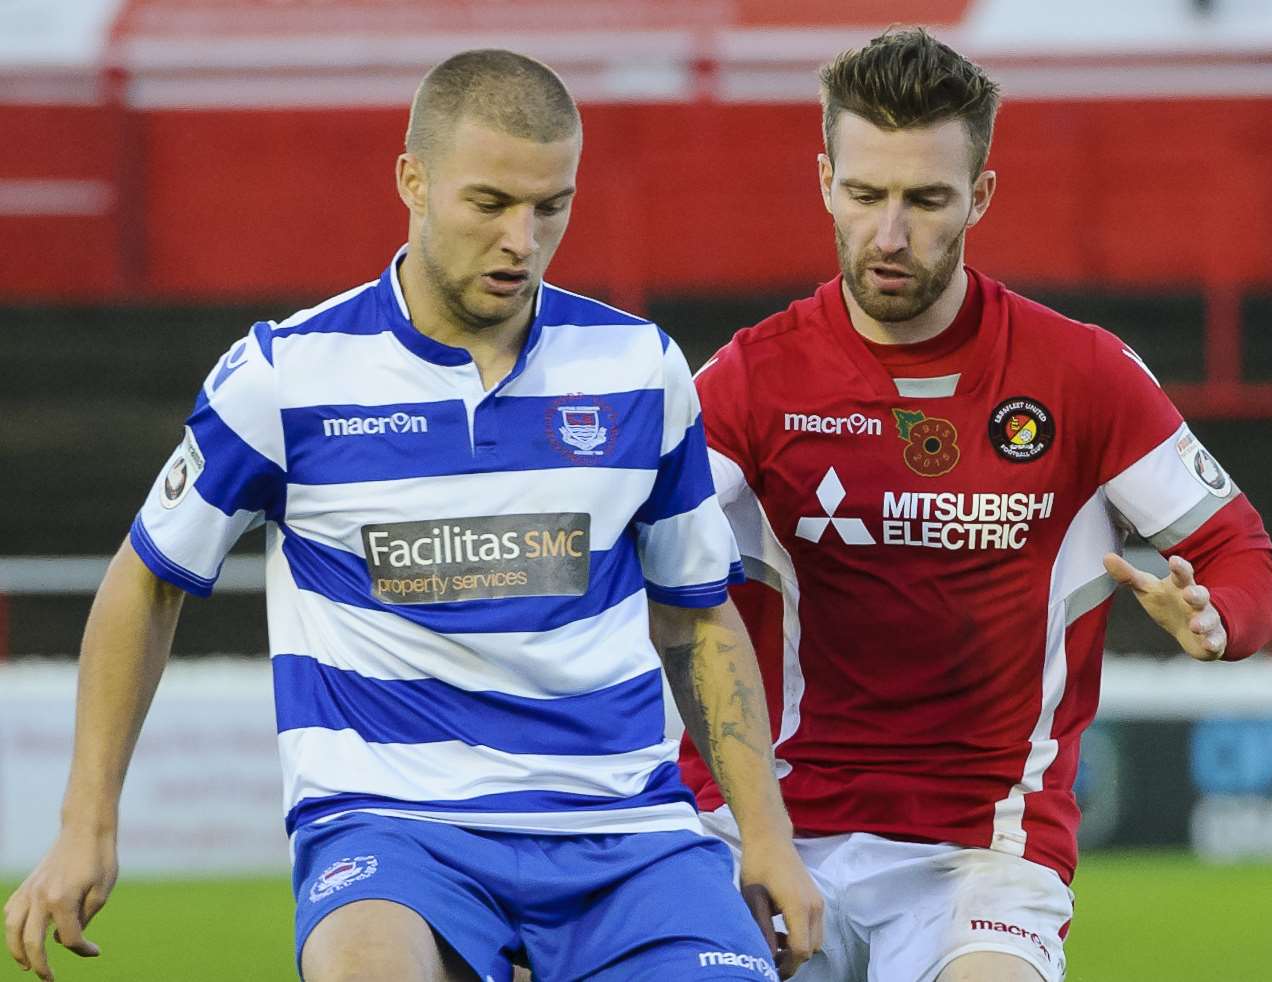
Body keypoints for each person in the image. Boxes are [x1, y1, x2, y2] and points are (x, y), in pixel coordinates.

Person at [4, 50, 823, 982]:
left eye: (551, 206)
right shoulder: (286, 376)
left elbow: (696, 613)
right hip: (392, 833)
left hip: (623, 830)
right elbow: (144, 584)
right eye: (490, 204)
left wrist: (766, 837)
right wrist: (85, 826)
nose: (522, 238)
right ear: (412, 179)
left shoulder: (640, 369)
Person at [681, 27, 1272, 982]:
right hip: (764, 833)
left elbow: (1241, 555)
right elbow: (630, 547)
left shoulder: (1082, 375)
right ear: (824, 180)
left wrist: (1219, 615)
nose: (890, 234)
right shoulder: (749, 380)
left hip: (984, 855)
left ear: (982, 196)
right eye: (865, 194)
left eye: (926, 199)